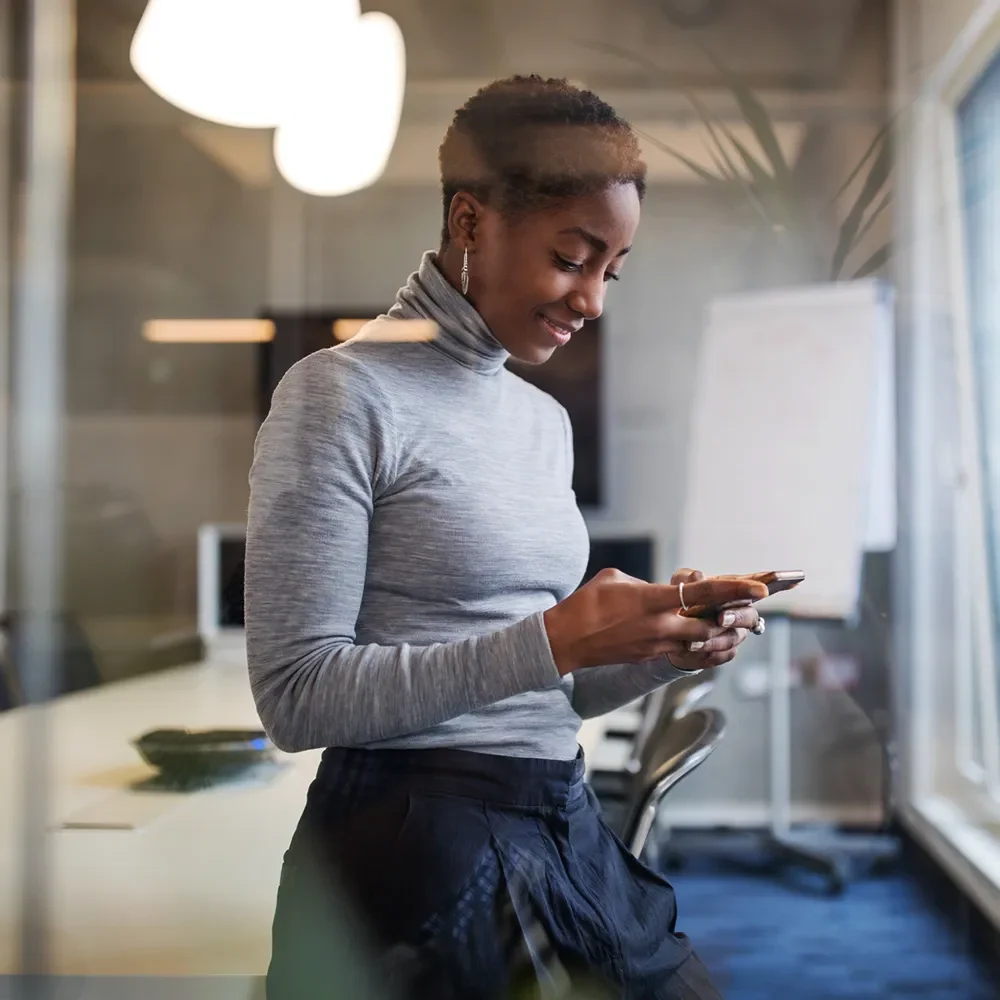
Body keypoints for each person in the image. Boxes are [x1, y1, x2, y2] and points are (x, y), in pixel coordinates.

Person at [245, 75, 766, 1000]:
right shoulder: (338, 395)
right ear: (470, 221)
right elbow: (297, 699)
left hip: (553, 815)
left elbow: (543, 698)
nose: (594, 299)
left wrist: (654, 649)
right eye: (573, 258)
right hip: (414, 836)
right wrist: (561, 634)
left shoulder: (540, 420)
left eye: (611, 270)